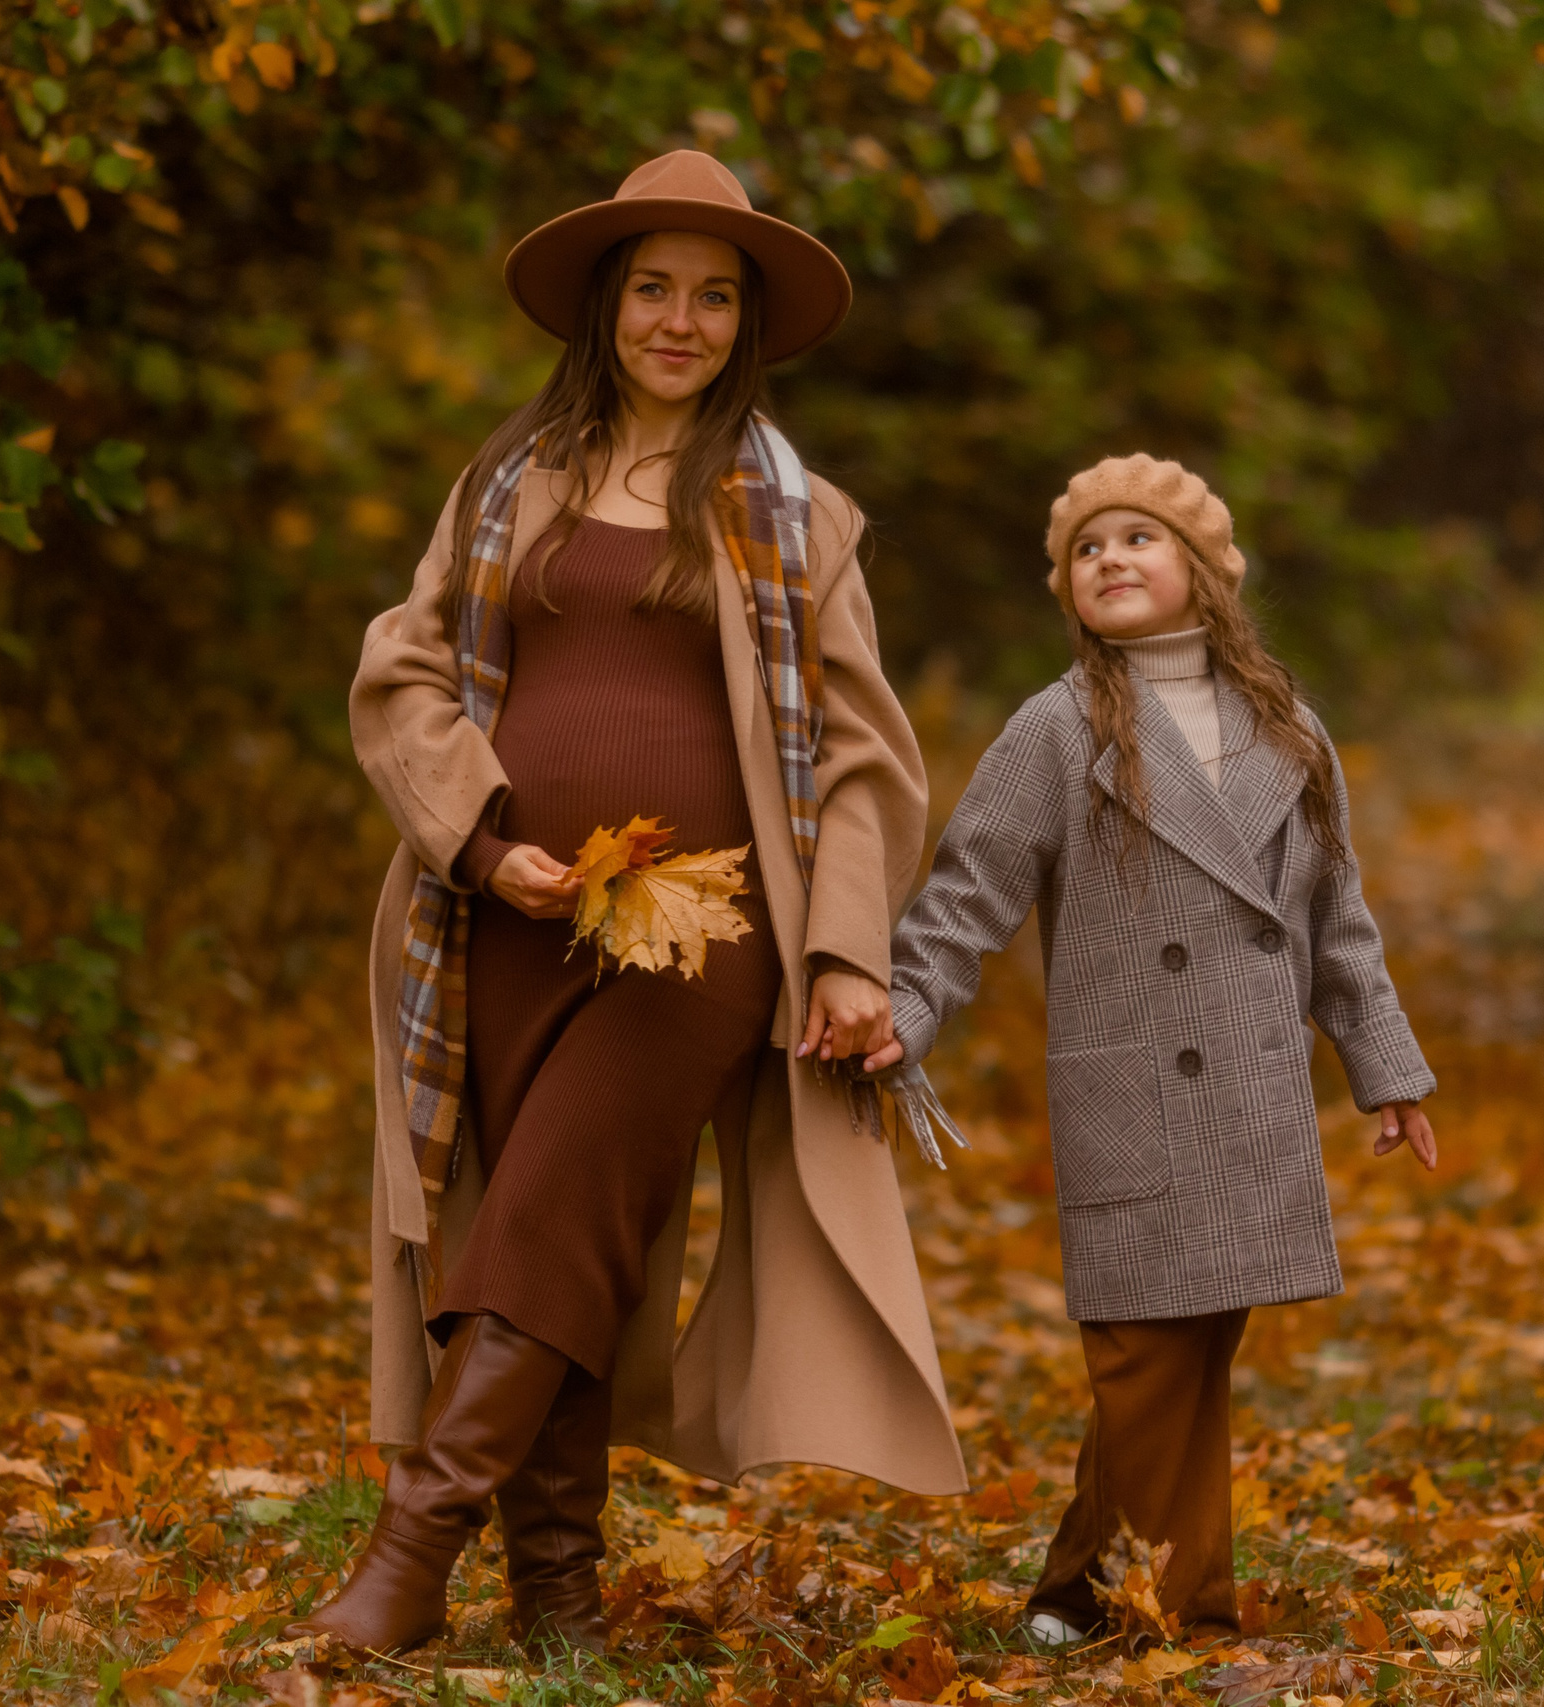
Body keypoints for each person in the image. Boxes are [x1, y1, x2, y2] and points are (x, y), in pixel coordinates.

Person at [301, 151, 964, 1659]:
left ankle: (411, 1553)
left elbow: (863, 754)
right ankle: (554, 1601)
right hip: (514, 914)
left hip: (707, 928)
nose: (681, 319)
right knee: (562, 1229)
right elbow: (403, 670)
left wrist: (850, 946)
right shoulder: (504, 483)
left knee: (557, 1207)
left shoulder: (799, 516)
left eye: (714, 297)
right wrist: (479, 839)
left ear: (745, 325)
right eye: (655, 288)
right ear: (608, 304)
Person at [863, 454, 1441, 1645]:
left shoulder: (1289, 730)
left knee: (1185, 1348)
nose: (1110, 559)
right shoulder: (1054, 731)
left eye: (1140, 539)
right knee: (1142, 1347)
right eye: (1086, 548)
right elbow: (968, 892)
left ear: (1205, 573)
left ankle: (1076, 1589)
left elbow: (1338, 918)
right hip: (1135, 1085)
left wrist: (1385, 1065)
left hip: (1247, 1087)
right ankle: (1189, 1615)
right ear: (1067, 588)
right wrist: (902, 1011)